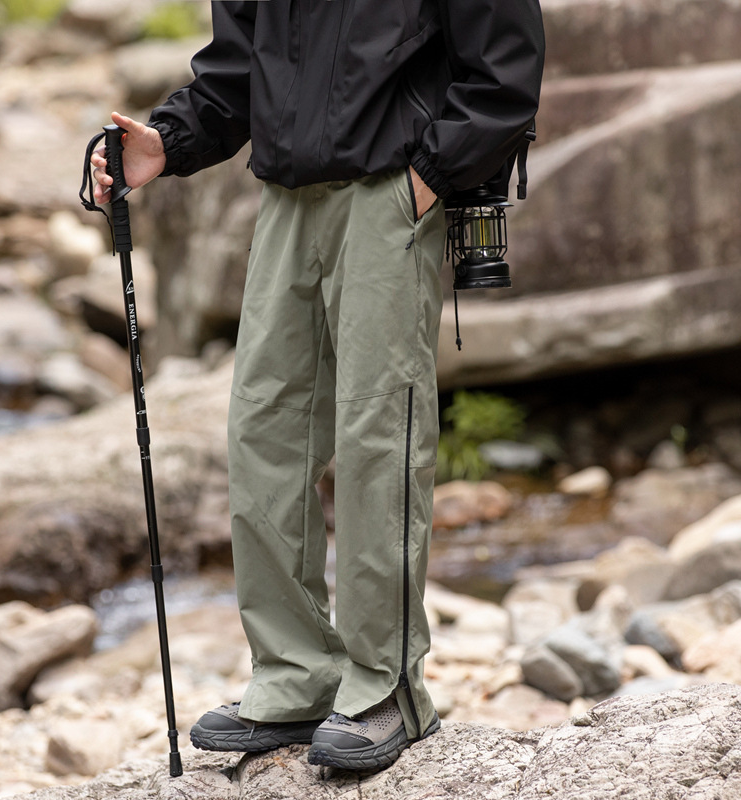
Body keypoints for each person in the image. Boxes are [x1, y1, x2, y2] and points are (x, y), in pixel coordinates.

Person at [92, 0, 544, 772]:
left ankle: (387, 687)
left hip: (390, 194)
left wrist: (427, 180)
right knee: (262, 429)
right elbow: (239, 70)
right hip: (285, 201)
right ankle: (296, 675)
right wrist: (166, 140)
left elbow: (505, 70)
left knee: (378, 435)